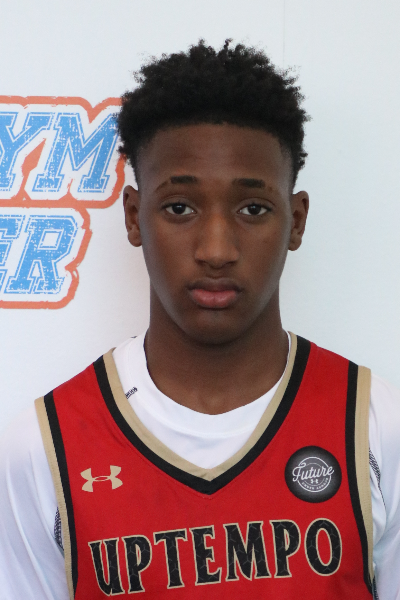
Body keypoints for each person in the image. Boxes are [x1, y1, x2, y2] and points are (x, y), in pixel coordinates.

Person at [0, 39, 399, 600]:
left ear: (296, 221)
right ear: (134, 217)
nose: (216, 250)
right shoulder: (44, 449)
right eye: (180, 208)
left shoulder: (375, 427)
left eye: (253, 209)